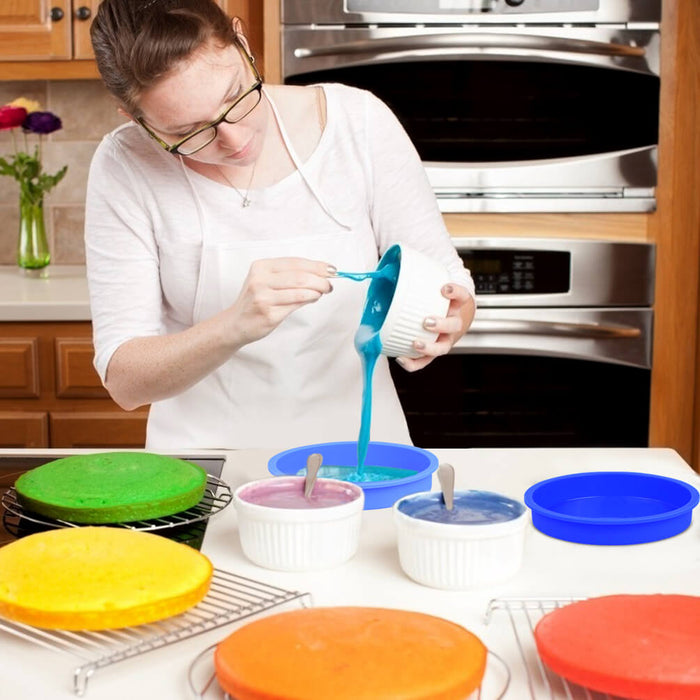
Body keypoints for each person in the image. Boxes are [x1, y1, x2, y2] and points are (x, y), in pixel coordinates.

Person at [85, 0, 476, 451]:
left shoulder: (358, 122)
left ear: (243, 42)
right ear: (136, 121)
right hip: (207, 471)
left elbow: (447, 281)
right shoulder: (124, 165)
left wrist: (447, 318)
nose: (235, 138)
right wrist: (234, 325)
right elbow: (125, 381)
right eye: (189, 132)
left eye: (235, 96)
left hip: (364, 458)